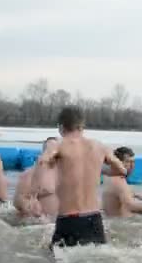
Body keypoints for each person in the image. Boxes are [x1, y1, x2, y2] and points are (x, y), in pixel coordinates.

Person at [37, 106, 127, 249]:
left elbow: (43, 161)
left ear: (61, 127)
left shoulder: (58, 144)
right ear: (82, 126)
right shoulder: (99, 146)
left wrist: (50, 163)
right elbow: (121, 170)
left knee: (52, 262)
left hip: (69, 220)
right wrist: (96, 169)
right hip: (95, 219)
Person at [13, 137, 59, 219]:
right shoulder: (29, 174)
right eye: (50, 150)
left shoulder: (67, 175)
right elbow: (18, 201)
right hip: (40, 223)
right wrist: (28, 207)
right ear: (44, 152)